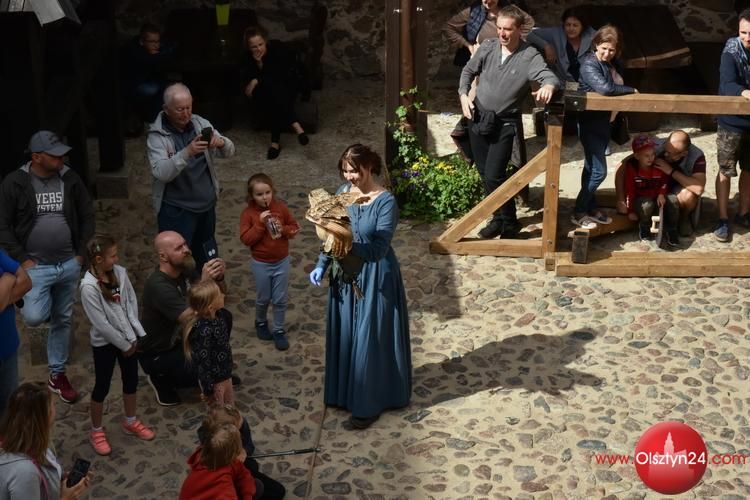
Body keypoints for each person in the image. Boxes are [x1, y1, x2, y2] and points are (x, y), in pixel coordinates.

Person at [308, 144, 411, 430]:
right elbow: (331, 234)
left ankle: (369, 404)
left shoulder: (386, 202)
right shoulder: (343, 193)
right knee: (347, 335)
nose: (349, 176)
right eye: (345, 171)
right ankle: (345, 393)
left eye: (354, 171)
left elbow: (378, 249)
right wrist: (321, 264)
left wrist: (347, 245)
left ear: (369, 167)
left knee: (369, 339)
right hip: (344, 276)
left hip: (375, 276)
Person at [0, 130, 96, 404]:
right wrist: (22, 259)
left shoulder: (70, 177)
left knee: (63, 318)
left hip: (68, 263)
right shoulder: (14, 182)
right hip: (35, 267)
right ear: (36, 157)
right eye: (55, 155)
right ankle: (42, 302)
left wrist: (80, 255)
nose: (61, 159)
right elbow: (3, 225)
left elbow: (87, 214)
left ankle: (57, 374)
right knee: (33, 316)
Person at [458, 5, 560, 239]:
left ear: (519, 30)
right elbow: (467, 71)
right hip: (477, 117)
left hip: (504, 123)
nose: (502, 33)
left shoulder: (530, 55)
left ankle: (510, 222)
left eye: (507, 29)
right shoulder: (488, 47)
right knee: (484, 173)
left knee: (494, 174)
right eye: (499, 28)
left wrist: (548, 86)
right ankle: (499, 219)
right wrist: (463, 95)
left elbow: (549, 76)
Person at [79, 234, 155, 456]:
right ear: (99, 259)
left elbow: (130, 302)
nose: (117, 259)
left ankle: (130, 421)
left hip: (128, 338)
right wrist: (124, 345)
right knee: (102, 386)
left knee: (131, 380)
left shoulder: (120, 273)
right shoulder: (88, 287)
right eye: (112, 256)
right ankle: (96, 430)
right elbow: (101, 324)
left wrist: (134, 332)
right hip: (106, 344)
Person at [147, 82, 236, 273]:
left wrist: (220, 142)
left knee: (207, 255)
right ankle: (181, 289)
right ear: (166, 109)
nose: (186, 114)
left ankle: (208, 287)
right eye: (180, 109)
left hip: (206, 206)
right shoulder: (157, 136)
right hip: (177, 210)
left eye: (189, 107)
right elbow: (161, 172)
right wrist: (187, 152)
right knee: (178, 259)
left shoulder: (200, 124)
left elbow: (230, 151)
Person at [139, 231, 227, 407]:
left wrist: (219, 278)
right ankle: (159, 378)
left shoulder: (186, 269)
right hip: (161, 352)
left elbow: (219, 299)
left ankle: (217, 373)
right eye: (179, 248)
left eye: (185, 244)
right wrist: (205, 283)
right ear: (163, 256)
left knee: (222, 317)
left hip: (183, 338)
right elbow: (189, 317)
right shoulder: (158, 285)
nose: (186, 249)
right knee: (200, 360)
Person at [572, 24, 637, 230]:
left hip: (604, 122)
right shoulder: (589, 64)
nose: (607, 53)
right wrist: (630, 90)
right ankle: (579, 211)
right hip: (591, 122)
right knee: (599, 172)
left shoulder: (610, 63)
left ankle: (590, 207)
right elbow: (605, 88)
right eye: (604, 48)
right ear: (596, 45)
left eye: (612, 50)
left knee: (590, 168)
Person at [239, 173, 300, 351]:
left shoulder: (280, 208)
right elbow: (246, 239)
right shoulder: (248, 214)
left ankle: (279, 330)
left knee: (280, 298)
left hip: (281, 261)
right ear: (252, 196)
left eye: (267, 192)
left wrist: (284, 229)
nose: (264, 197)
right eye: (259, 194)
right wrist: (259, 224)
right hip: (261, 263)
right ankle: (260, 322)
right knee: (263, 297)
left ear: (273, 191)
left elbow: (294, 228)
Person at [0, 382, 91, 499]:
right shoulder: (25, 473)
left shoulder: (31, 443)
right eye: (52, 405)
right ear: (45, 417)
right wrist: (66, 497)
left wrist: (61, 480)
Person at [614, 130, 706, 236]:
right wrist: (621, 200)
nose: (665, 154)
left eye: (670, 154)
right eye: (666, 150)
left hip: (676, 187)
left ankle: (683, 217)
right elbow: (622, 166)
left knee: (688, 196)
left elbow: (699, 189)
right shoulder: (656, 146)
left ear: (684, 153)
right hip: (654, 187)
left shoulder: (696, 156)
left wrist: (670, 171)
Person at [241, 25, 310, 160]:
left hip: (287, 85)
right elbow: (248, 77)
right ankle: (296, 125)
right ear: (249, 48)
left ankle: (275, 143)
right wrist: (258, 65)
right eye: (254, 47)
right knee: (271, 95)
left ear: (265, 41)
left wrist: (256, 80)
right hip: (269, 93)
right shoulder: (248, 58)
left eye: (260, 44)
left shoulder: (276, 50)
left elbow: (279, 75)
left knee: (274, 94)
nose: (258, 49)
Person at [196, 403, 286, 500]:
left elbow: (248, 449)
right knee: (271, 491)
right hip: (231, 477)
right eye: (238, 431)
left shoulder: (237, 423)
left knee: (275, 488)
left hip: (237, 469)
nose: (241, 434)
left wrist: (244, 452)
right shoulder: (216, 470)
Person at [714, 8, 750, 242]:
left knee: (749, 169)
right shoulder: (731, 51)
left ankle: (744, 213)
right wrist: (744, 92)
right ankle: (722, 218)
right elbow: (727, 83)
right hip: (732, 122)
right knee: (725, 171)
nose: (747, 38)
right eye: (743, 32)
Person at [182, 280, 234, 405]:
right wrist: (208, 390)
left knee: (230, 408)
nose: (223, 295)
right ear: (210, 307)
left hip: (225, 374)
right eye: (219, 295)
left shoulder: (220, 316)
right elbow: (203, 362)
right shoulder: (203, 331)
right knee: (219, 413)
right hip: (215, 382)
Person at [622, 135, 679, 245]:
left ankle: (672, 229)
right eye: (646, 156)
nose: (651, 158)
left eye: (653, 154)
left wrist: (661, 194)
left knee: (673, 200)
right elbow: (630, 190)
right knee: (647, 205)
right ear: (637, 156)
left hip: (659, 197)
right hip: (642, 199)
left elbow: (665, 181)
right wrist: (630, 211)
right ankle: (644, 226)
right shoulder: (632, 168)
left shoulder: (658, 164)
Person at [179, 422, 256, 500]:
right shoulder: (222, 484)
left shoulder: (203, 455)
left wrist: (247, 495)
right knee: (257, 485)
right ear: (234, 452)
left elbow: (243, 475)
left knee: (255, 475)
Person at [121, 23, 176, 126]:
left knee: (165, 89)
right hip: (134, 86)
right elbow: (148, 62)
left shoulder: (156, 51)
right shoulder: (134, 51)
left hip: (150, 83)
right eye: (152, 42)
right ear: (142, 42)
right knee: (156, 89)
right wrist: (159, 56)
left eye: (157, 41)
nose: (156, 45)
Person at [0, 249, 31, 415]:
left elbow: (26, 282)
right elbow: (16, 277)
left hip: (8, 347)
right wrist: (8, 279)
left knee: (11, 410)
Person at [532, 7, 595, 83]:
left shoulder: (591, 35)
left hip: (588, 82)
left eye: (575, 25)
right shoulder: (556, 33)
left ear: (582, 27)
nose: (571, 28)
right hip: (564, 82)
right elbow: (528, 34)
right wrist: (546, 46)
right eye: (568, 25)